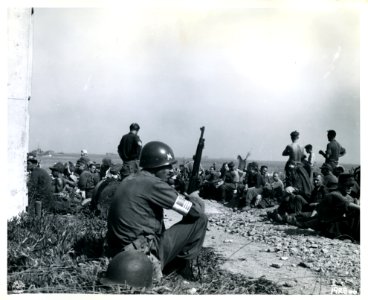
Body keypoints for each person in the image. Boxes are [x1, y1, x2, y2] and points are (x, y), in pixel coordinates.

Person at [106, 141, 208, 281]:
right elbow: (195, 212)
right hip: (141, 252)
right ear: (155, 166)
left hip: (119, 251)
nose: (171, 169)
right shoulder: (154, 183)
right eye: (167, 166)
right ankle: (178, 268)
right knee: (201, 220)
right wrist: (193, 196)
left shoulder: (131, 178)